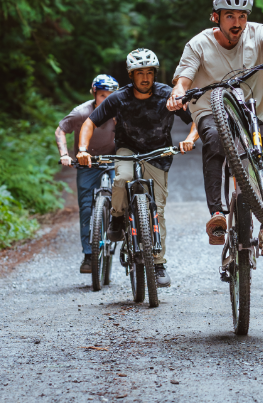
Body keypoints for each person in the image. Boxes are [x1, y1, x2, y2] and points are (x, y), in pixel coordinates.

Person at [166, 0, 263, 257]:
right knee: (215, 140)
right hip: (211, 111)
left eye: (242, 16)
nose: (237, 23)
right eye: (230, 16)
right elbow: (183, 79)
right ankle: (217, 213)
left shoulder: (258, 32)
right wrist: (178, 93)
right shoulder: (199, 44)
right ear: (215, 17)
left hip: (259, 113)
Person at [77, 49, 193, 288]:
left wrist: (191, 138)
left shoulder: (167, 95)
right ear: (131, 75)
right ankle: (118, 218)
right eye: (139, 73)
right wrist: (82, 149)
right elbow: (90, 122)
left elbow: (196, 120)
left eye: (149, 72)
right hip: (128, 149)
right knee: (121, 179)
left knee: (157, 209)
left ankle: (158, 264)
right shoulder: (118, 98)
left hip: (157, 153)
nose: (145, 78)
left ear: (154, 74)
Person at [56, 74, 118, 274]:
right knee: (86, 208)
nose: (106, 100)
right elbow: (60, 130)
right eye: (102, 95)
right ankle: (89, 255)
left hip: (115, 160)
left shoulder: (120, 111)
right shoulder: (81, 113)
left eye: (110, 96)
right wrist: (65, 154)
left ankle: (127, 236)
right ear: (94, 94)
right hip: (87, 162)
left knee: (124, 195)